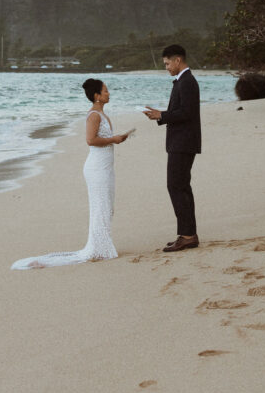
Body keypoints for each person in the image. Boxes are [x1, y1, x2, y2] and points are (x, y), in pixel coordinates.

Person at [11, 79, 131, 269]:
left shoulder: (102, 114)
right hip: (96, 167)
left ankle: (102, 245)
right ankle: (99, 248)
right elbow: (90, 140)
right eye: (105, 91)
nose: (109, 93)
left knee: (107, 205)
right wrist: (114, 139)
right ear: (96, 96)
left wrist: (115, 139)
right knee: (101, 205)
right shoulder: (94, 115)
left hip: (105, 166)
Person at [143, 43, 201, 252]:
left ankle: (187, 235)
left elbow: (187, 113)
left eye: (168, 63)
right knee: (181, 187)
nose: (166, 67)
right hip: (181, 142)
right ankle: (188, 234)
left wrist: (162, 115)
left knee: (176, 186)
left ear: (178, 60)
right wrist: (161, 115)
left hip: (183, 143)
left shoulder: (187, 82)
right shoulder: (182, 81)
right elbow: (181, 111)